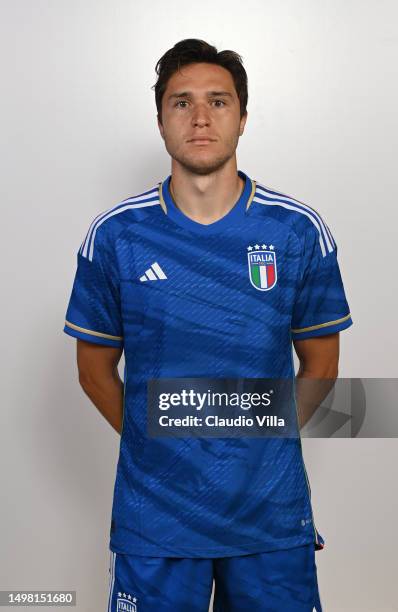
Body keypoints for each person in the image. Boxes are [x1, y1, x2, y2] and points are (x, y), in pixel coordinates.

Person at [63, 38, 353, 612]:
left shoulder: (297, 231)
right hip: (157, 522)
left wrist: (258, 445)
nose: (200, 118)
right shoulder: (116, 236)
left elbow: (321, 363)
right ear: (160, 121)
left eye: (218, 102)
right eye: (181, 103)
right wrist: (163, 443)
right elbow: (94, 372)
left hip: (268, 518)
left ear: (242, 118)